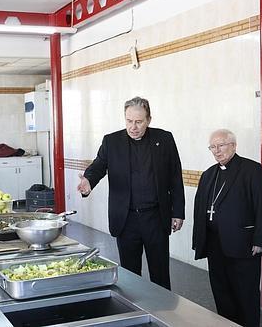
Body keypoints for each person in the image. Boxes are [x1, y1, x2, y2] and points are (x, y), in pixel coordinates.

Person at [77, 96, 185, 290]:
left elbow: (175, 177)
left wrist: (178, 212)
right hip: (126, 219)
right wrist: (88, 180)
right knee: (130, 274)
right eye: (129, 121)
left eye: (138, 122)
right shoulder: (112, 141)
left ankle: (164, 316)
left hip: (156, 217)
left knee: (160, 273)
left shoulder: (164, 139)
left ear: (149, 120)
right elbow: (99, 165)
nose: (133, 127)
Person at [192, 129, 262, 327]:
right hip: (214, 245)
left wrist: (260, 240)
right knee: (221, 292)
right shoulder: (209, 174)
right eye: (213, 147)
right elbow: (199, 208)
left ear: (234, 146)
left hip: (243, 245)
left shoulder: (251, 170)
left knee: (245, 294)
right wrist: (198, 240)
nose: (217, 151)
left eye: (221, 145)